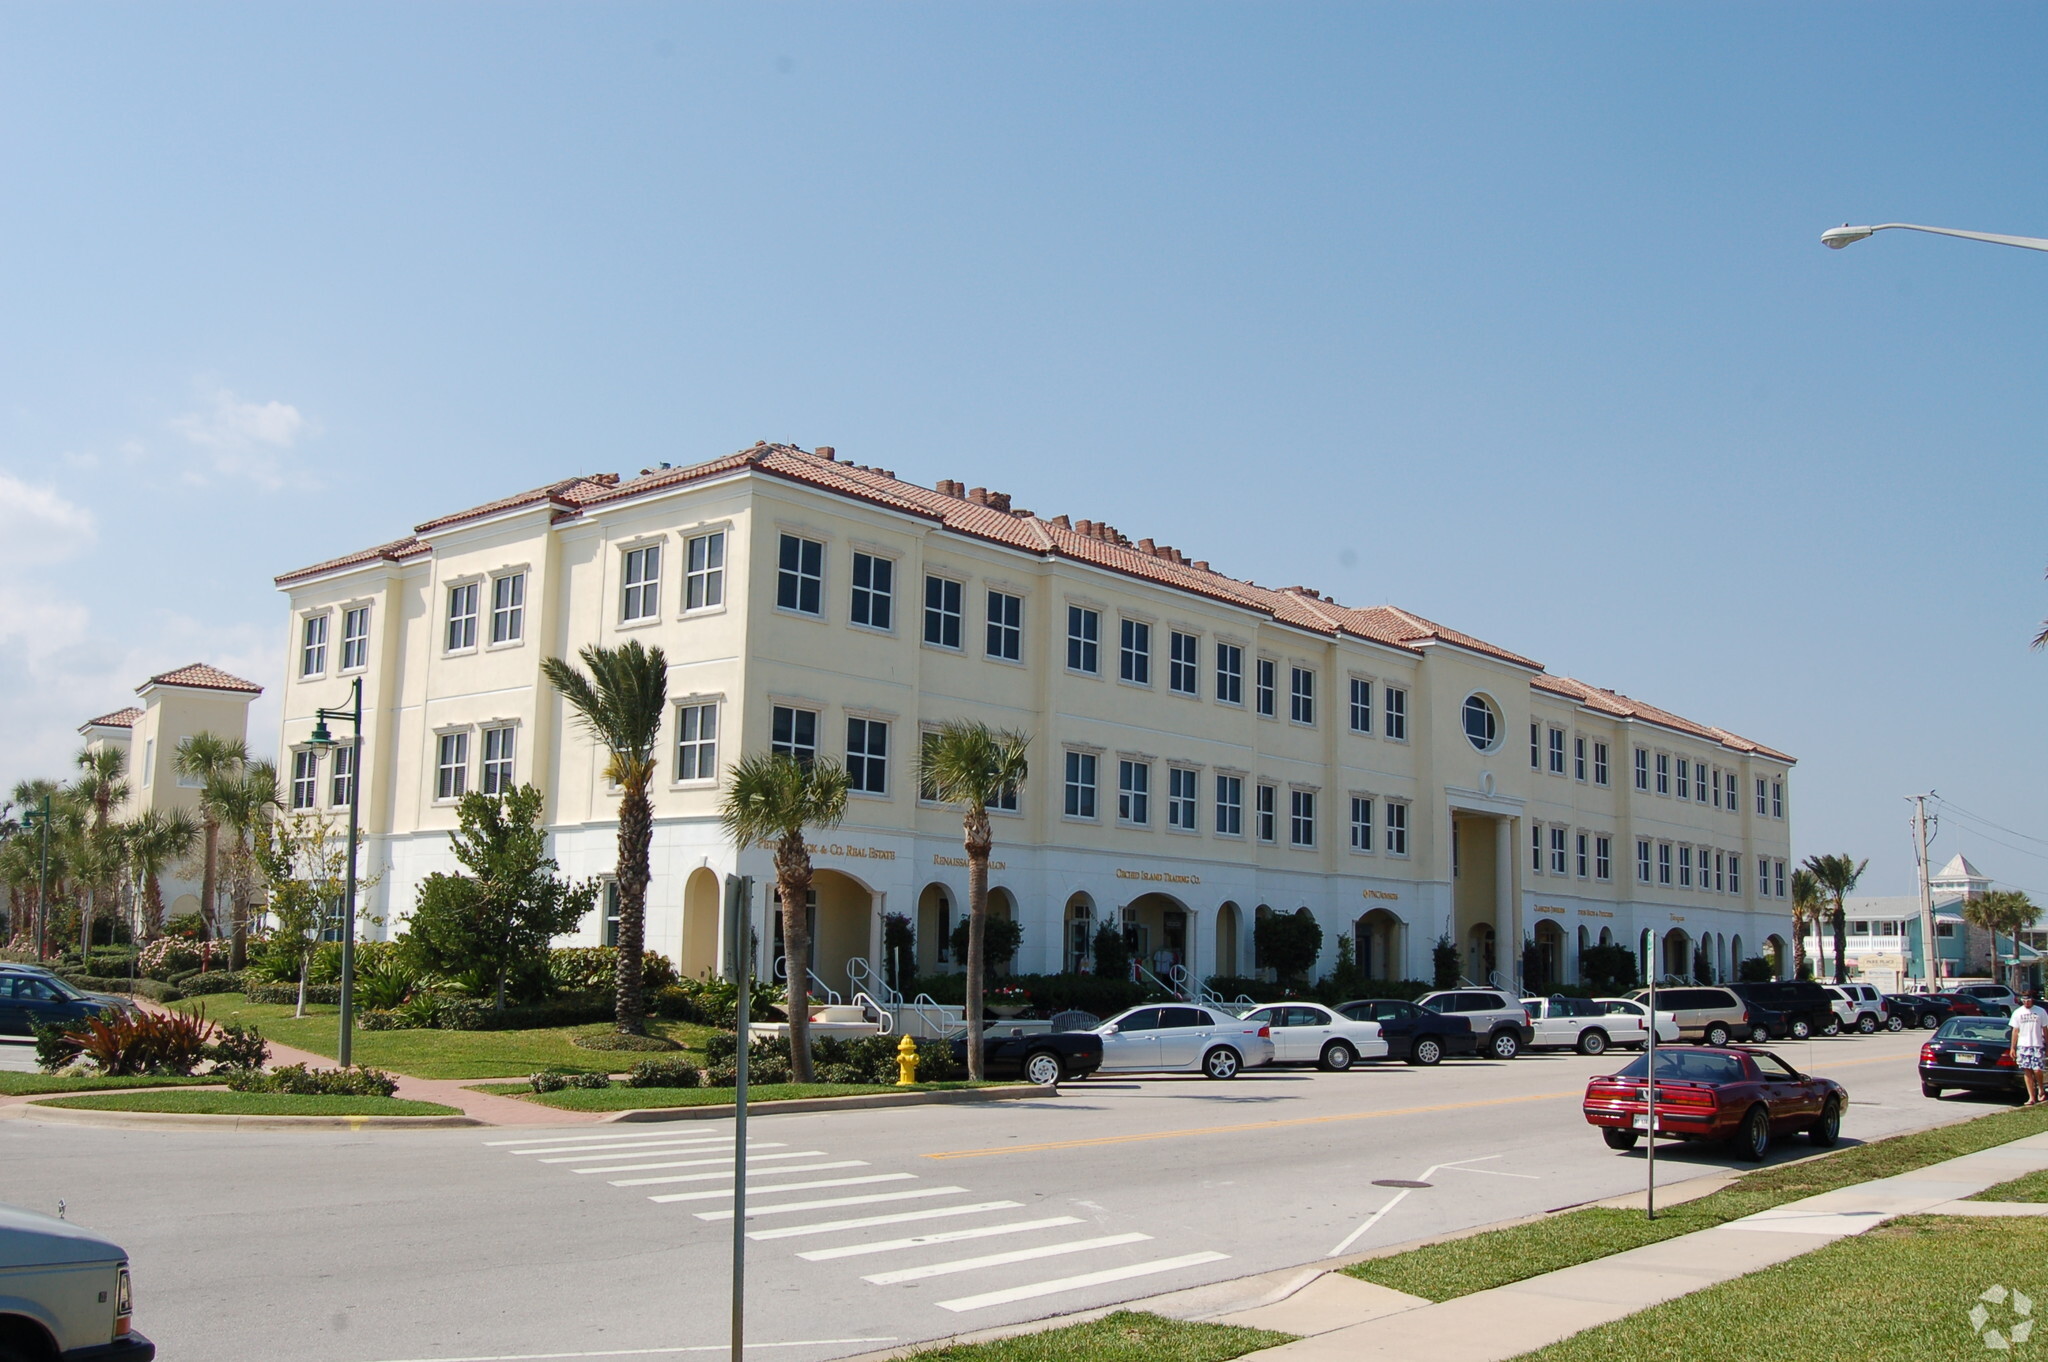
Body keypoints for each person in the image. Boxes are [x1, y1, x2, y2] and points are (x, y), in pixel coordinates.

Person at [2008, 989, 2048, 1106]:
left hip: (2037, 1044)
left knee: (2037, 1070)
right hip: (2023, 1046)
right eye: (2024, 1000)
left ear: (2032, 1000)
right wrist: (2013, 1048)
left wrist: (2047, 1045)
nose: (2026, 1002)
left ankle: (2041, 1088)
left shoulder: (2040, 1012)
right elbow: (2015, 1031)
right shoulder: (2017, 1013)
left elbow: (2045, 1029)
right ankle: (2031, 1097)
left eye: (2029, 999)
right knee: (2027, 1071)